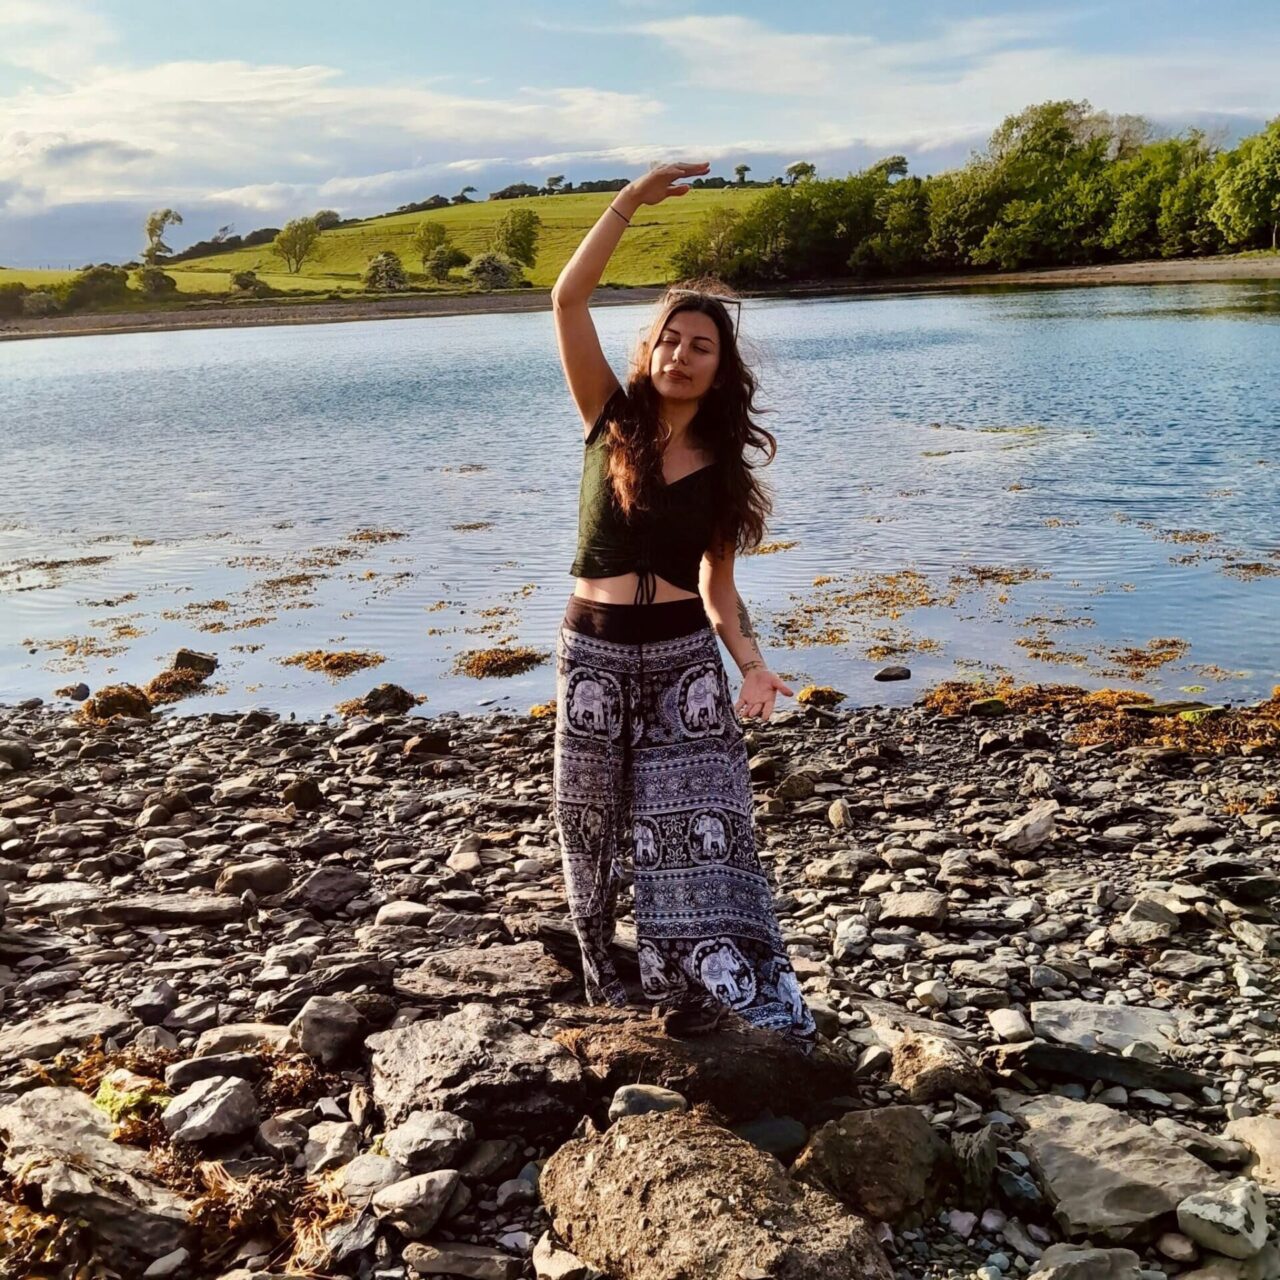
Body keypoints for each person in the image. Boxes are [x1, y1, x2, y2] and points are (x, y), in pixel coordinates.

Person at [549, 160, 816, 1047]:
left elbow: (718, 586)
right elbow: (566, 299)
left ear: (721, 368)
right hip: (593, 652)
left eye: (701, 345)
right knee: (588, 823)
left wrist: (753, 667)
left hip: (680, 663)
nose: (681, 354)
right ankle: (605, 979)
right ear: (650, 350)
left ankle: (704, 981)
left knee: (699, 826)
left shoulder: (726, 472)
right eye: (670, 339)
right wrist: (629, 202)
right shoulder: (607, 417)